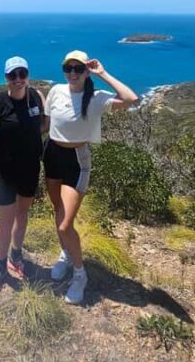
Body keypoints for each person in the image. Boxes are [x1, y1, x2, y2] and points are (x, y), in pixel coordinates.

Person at [43, 50, 138, 305]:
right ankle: (65, 252)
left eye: (78, 68)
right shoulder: (56, 91)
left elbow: (131, 98)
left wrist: (103, 73)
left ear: (86, 70)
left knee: (65, 224)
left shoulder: (96, 98)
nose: (72, 73)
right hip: (51, 154)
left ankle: (79, 274)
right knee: (57, 211)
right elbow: (46, 123)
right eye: (68, 68)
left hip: (77, 160)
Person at [0, 56, 45, 293]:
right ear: (6, 78)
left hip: (29, 169)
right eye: (13, 75)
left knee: (23, 213)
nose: (18, 79)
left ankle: (16, 255)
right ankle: (0, 267)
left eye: (22, 74)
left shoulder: (37, 97)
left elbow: (43, 124)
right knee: (6, 223)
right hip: (5, 172)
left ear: (27, 75)